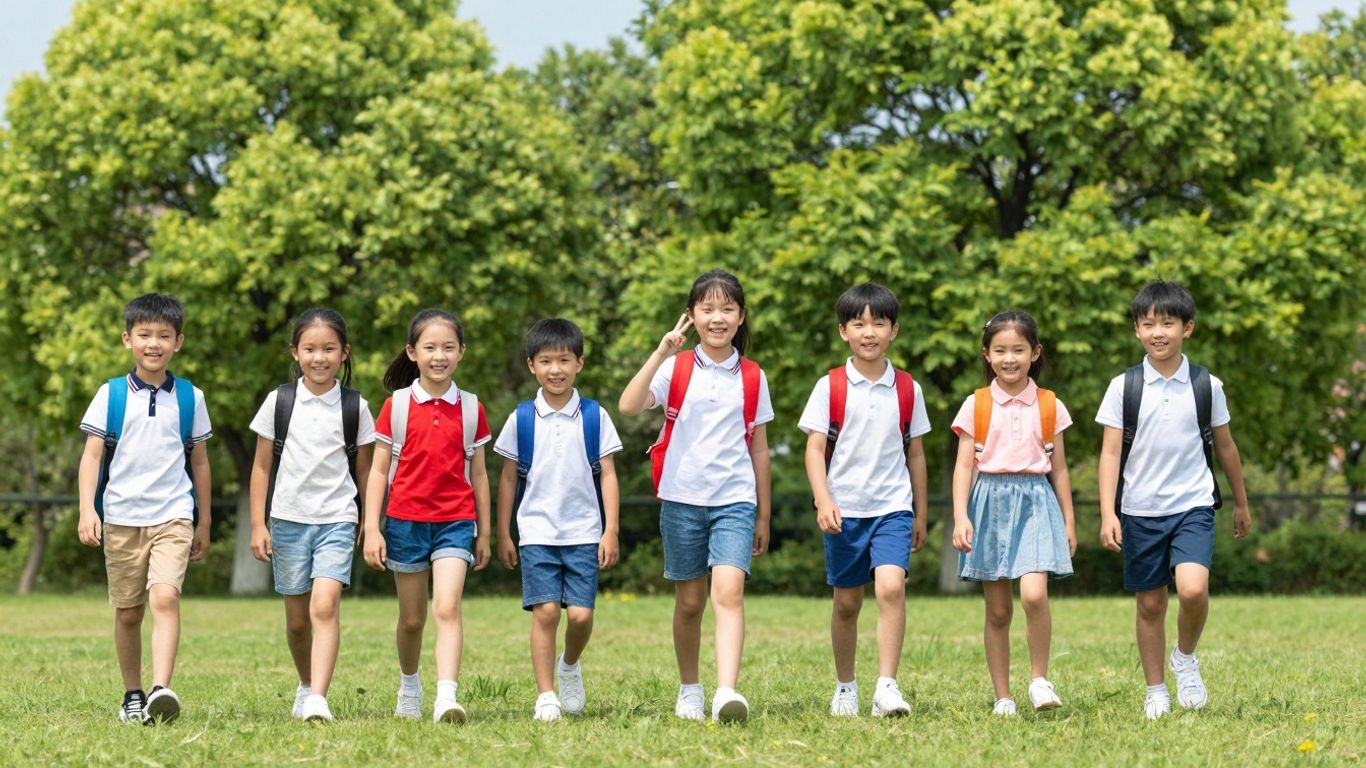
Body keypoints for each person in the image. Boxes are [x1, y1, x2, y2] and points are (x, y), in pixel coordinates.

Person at [618, 270, 773, 723]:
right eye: (707, 309)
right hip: (682, 498)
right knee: (689, 602)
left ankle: (727, 691)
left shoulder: (752, 376)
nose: (717, 318)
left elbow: (759, 448)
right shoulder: (676, 367)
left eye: (727, 309)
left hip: (735, 500)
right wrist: (662, 350)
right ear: (692, 315)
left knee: (729, 593)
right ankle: (690, 687)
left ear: (741, 316)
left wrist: (762, 515)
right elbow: (629, 405)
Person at [1096, 281, 1252, 719]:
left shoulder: (1206, 384)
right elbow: (1109, 453)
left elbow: (1226, 447)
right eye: (1149, 324)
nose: (1158, 332)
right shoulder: (1123, 386)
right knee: (1149, 604)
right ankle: (1156, 690)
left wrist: (1241, 502)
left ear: (1188, 327)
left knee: (1193, 588)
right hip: (1140, 510)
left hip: (1193, 505)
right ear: (1136, 331)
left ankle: (1184, 657)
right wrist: (1108, 511)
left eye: (1168, 323)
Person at [76, 293, 212, 724]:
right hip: (120, 517)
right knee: (129, 611)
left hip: (173, 514)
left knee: (166, 597)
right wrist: (86, 509)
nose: (154, 344)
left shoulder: (190, 397)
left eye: (164, 336)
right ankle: (132, 693)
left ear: (179, 342)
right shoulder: (111, 394)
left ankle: (160, 689)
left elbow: (200, 461)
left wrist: (204, 520)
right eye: (145, 335)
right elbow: (92, 457)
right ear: (127, 339)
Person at [799, 283, 929, 718]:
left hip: (893, 507)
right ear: (844, 332)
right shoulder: (830, 386)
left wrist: (920, 513)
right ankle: (845, 686)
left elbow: (915, 453)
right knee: (847, 602)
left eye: (879, 323)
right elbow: (815, 449)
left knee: (891, 588)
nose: (869, 331)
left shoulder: (907, 388)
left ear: (894, 330)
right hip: (844, 510)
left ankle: (887, 687)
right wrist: (823, 499)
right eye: (859, 323)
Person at [362, 309, 492, 723]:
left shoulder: (471, 408)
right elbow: (379, 471)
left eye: (448, 348)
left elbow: (480, 474)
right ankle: (409, 684)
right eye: (430, 347)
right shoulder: (396, 406)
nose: (440, 356)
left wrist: (485, 532)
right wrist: (371, 528)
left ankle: (446, 697)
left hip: (456, 522)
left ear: (461, 353)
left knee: (447, 608)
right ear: (412, 352)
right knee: (413, 619)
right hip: (405, 521)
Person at [248, 308, 375, 722]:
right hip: (287, 520)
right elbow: (262, 467)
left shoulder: (355, 406)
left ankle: (318, 697)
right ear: (295, 353)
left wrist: (370, 522)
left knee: (325, 606)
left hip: (337, 518)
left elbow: (366, 471)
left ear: (344, 353)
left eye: (329, 349)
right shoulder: (279, 402)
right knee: (298, 621)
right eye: (310, 349)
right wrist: (257, 523)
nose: (319, 357)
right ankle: (305, 684)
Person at [494, 318, 623, 721]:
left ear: (579, 363)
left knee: (581, 615)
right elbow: (507, 478)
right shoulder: (521, 418)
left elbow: (609, 473)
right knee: (546, 612)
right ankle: (546, 694)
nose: (555, 369)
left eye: (564, 360)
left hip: (584, 531)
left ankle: (569, 664)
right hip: (536, 531)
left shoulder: (594, 415)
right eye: (546, 360)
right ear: (531, 365)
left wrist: (611, 530)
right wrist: (503, 533)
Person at [950, 310, 1076, 716]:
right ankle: (1002, 695)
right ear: (987, 354)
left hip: (1036, 500)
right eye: (1000, 350)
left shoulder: (1049, 404)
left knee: (1034, 594)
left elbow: (1060, 468)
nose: (1009, 359)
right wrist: (960, 516)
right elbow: (964, 465)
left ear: (1035, 353)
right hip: (988, 502)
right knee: (999, 610)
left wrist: (1069, 521)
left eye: (1018, 350)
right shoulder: (977, 403)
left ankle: (1039, 679)